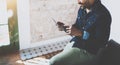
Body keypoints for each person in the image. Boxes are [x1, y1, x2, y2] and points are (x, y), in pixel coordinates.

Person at [49, 0, 112, 65]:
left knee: (53, 62)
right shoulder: (82, 9)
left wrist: (81, 34)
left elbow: (101, 43)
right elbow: (77, 27)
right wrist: (64, 28)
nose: (78, 2)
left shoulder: (103, 15)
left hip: (89, 51)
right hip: (75, 43)